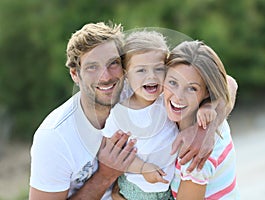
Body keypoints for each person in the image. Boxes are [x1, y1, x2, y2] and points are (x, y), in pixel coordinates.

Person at [29, 22, 223, 200]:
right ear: (75, 74)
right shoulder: (53, 138)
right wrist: (106, 175)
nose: (105, 77)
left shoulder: (142, 88)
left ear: (124, 68)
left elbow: (225, 83)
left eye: (113, 63)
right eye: (92, 67)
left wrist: (204, 128)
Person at [101, 30, 177, 199]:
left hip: (170, 188)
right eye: (141, 70)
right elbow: (108, 153)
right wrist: (143, 168)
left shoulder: (169, 100)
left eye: (158, 69)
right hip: (136, 191)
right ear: (126, 75)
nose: (151, 76)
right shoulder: (120, 113)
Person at [164, 40, 239, 199]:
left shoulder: (196, 156)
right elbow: (230, 82)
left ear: (207, 92)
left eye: (192, 88)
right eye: (172, 82)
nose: (178, 96)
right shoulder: (212, 112)